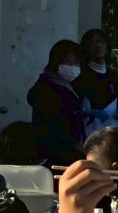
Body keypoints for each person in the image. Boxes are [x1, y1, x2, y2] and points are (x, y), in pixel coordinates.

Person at [27, 39, 86, 167]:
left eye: (76, 62)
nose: (73, 66)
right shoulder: (48, 88)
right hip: (57, 154)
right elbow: (61, 125)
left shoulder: (69, 87)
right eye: (67, 61)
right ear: (55, 62)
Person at [75, 28, 118, 136]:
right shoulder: (80, 75)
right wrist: (88, 112)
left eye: (101, 41)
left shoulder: (113, 76)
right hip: (89, 136)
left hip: (112, 134)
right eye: (92, 42)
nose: (98, 45)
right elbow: (71, 108)